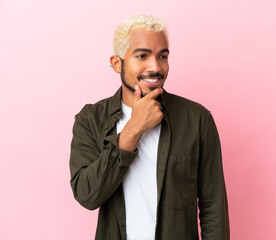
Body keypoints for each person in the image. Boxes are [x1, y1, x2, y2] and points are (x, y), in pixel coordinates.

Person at [69, 14, 230, 240]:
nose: (155, 67)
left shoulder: (197, 119)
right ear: (117, 63)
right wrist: (133, 129)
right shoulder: (90, 120)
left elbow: (213, 207)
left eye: (162, 56)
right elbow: (87, 195)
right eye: (142, 55)